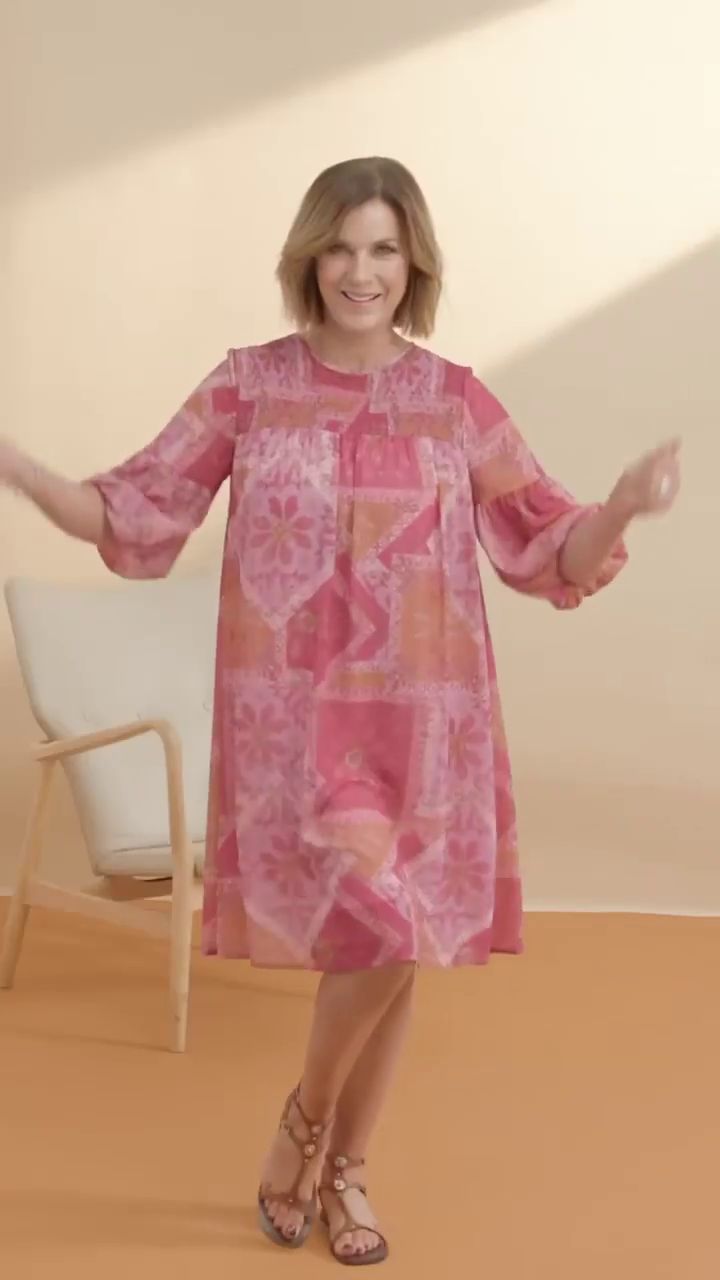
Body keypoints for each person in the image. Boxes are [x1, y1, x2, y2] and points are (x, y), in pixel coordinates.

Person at [0, 157, 680, 1265]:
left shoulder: (453, 399)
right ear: (309, 257)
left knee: (394, 938)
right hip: (294, 727)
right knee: (382, 923)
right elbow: (136, 510)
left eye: (383, 250)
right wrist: (28, 476)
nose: (361, 272)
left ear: (413, 263)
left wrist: (623, 507)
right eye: (341, 248)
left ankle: (333, 1160)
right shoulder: (248, 387)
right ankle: (319, 1137)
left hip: (430, 720)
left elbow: (551, 546)